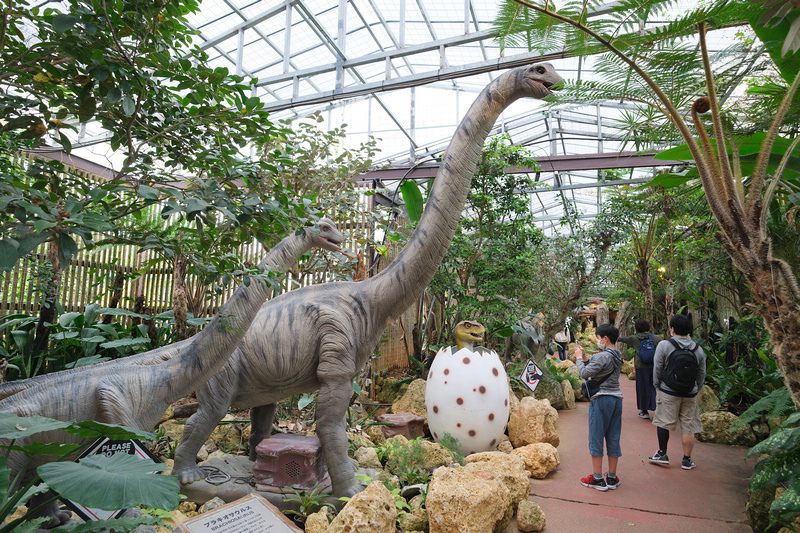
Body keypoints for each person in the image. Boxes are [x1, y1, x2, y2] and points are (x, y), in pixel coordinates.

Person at [648, 313, 706, 470]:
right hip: (690, 393)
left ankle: (662, 454)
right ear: (689, 330)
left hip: (668, 390)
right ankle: (687, 460)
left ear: (672, 329)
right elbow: (701, 374)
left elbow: (658, 367)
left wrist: (656, 384)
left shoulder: (665, 345)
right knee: (689, 426)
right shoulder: (698, 349)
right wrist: (696, 389)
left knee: (663, 421)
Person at [575, 324, 624, 491]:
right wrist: (587, 359)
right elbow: (599, 370)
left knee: (596, 436)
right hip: (616, 399)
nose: (597, 341)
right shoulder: (617, 355)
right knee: (613, 437)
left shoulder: (603, 356)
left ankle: (597, 478)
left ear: (605, 338)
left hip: (602, 399)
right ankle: (611, 477)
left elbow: (585, 373)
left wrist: (578, 359)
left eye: (598, 338)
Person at [618, 318, 661, 419]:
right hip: (654, 366)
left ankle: (644, 411)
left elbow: (622, 339)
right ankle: (657, 408)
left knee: (642, 388)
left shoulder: (634, 338)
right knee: (655, 387)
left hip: (641, 367)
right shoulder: (656, 338)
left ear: (636, 328)